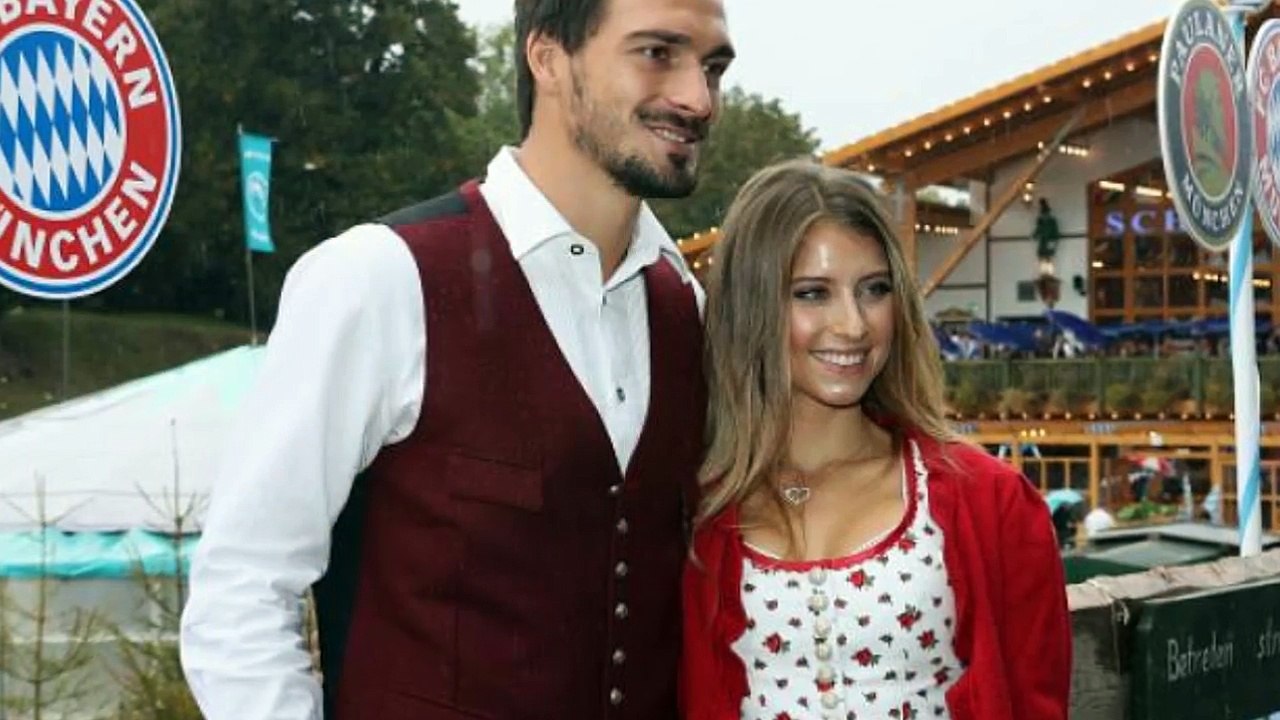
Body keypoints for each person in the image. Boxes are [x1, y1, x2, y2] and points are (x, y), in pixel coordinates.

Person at [179, 1, 735, 718]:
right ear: (548, 58)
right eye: (658, 53)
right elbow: (242, 593)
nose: (698, 97)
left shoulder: (684, 306)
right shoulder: (378, 278)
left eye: (713, 65)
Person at [681, 160, 1071, 720]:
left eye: (874, 290)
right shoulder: (698, 513)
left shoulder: (993, 503)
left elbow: (1038, 703)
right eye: (813, 293)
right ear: (752, 306)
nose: (854, 325)